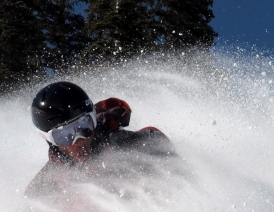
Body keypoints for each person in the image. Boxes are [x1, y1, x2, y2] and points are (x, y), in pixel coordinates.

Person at [25, 82, 174, 197]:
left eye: (84, 125)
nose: (79, 139)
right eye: (64, 135)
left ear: (93, 120)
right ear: (49, 140)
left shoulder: (117, 143)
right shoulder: (45, 185)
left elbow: (156, 141)